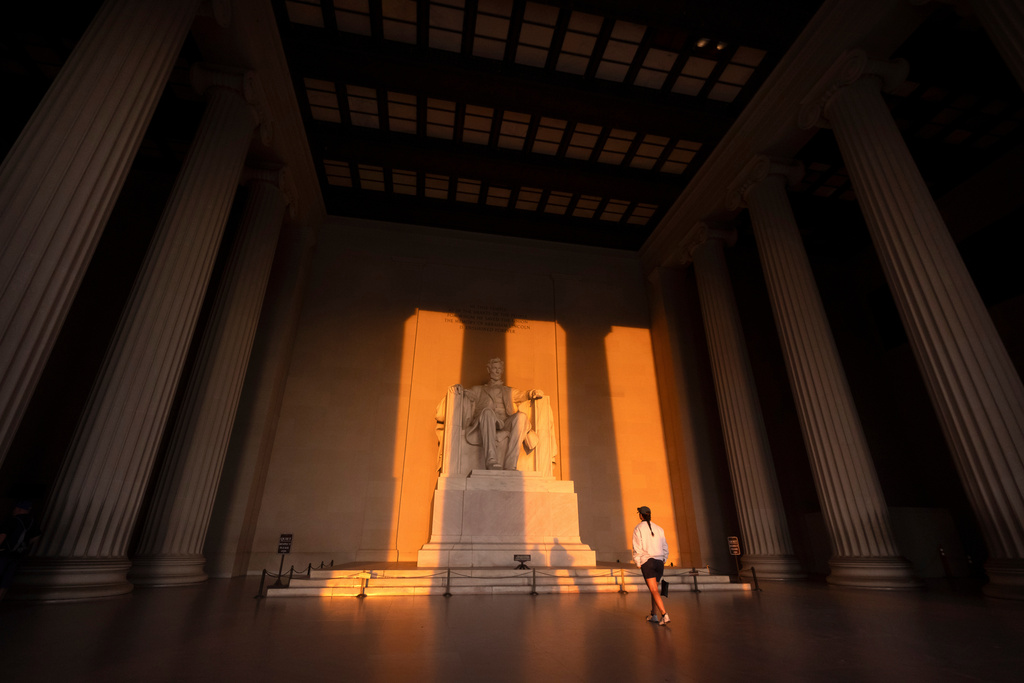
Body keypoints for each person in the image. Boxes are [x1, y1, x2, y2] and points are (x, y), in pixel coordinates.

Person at [455, 358, 543, 471]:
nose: (497, 371)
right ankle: (491, 460)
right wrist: (458, 390)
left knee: (521, 417)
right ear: (489, 370)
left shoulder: (509, 391)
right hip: (487, 420)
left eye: (500, 369)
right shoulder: (479, 389)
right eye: (495, 368)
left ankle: (511, 464)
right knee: (487, 412)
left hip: (505, 422)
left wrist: (532, 393)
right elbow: (467, 394)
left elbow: (523, 395)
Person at [633, 505, 670, 625]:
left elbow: (637, 546)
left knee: (653, 589)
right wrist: (664, 558)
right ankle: (654, 614)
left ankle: (664, 615)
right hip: (659, 562)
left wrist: (638, 562)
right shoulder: (659, 528)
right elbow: (665, 546)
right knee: (654, 590)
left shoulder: (638, 528)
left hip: (647, 561)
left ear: (641, 515)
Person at [0, 500, 42, 601]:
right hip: (17, 555)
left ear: (18, 509)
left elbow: (2, 535)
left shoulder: (12, 520)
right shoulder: (32, 523)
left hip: (3, 552)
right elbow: (37, 536)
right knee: (6, 581)